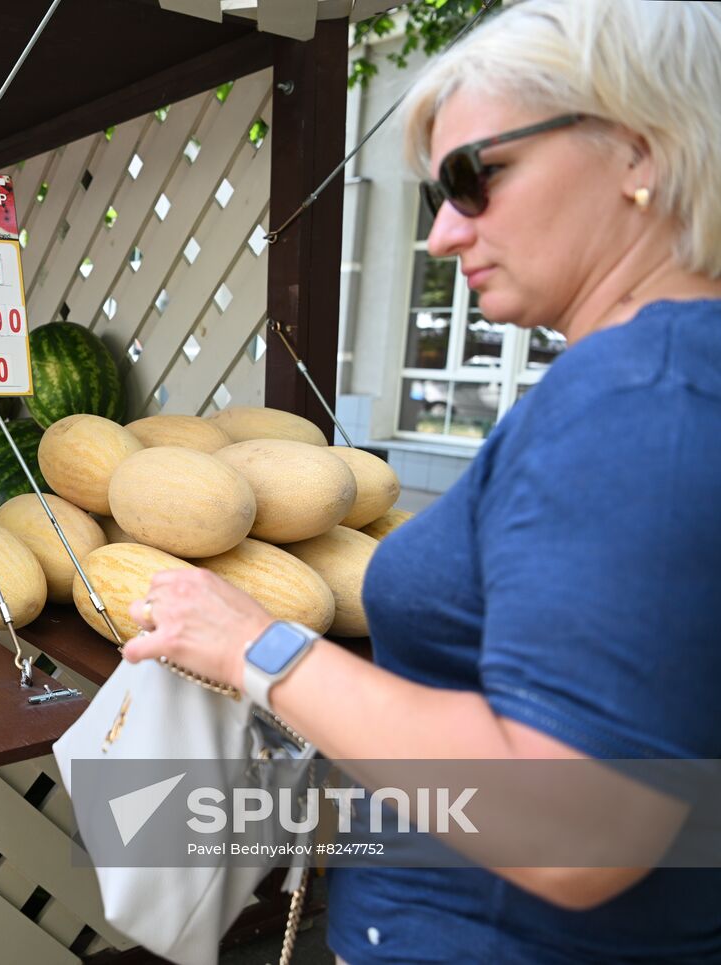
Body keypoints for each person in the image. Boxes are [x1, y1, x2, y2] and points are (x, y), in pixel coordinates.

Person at [121, 1, 721, 961]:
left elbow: (576, 825)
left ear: (640, 150)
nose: (441, 233)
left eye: (473, 177)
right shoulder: (678, 379)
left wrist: (258, 649)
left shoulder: (635, 395)